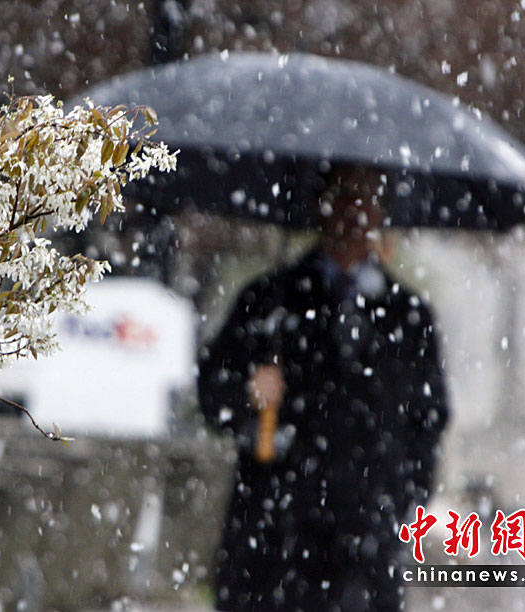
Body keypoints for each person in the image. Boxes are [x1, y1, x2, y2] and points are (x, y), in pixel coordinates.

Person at [198, 165, 449, 612]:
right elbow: (212, 395)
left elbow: (428, 419)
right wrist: (247, 391)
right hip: (273, 537)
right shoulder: (268, 300)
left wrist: (400, 496)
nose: (354, 212)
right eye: (344, 196)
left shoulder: (408, 317)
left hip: (366, 541)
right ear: (320, 207)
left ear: (381, 213)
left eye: (367, 198)